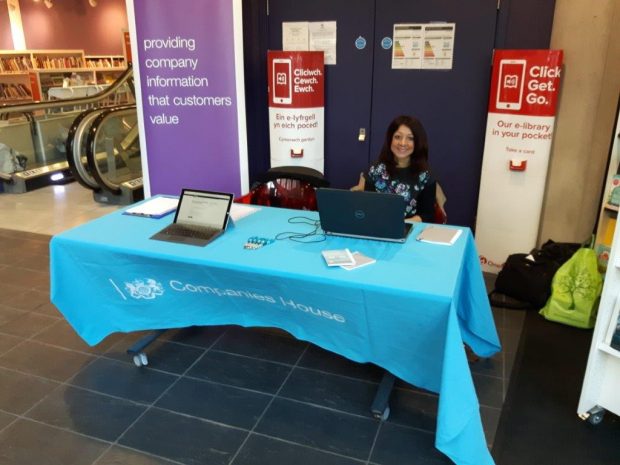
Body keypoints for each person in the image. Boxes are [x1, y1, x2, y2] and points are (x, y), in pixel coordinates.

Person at [351, 115, 436, 222]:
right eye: (397, 137)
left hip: (409, 229)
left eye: (410, 138)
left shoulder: (425, 175)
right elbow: (368, 208)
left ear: (418, 142)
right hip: (376, 227)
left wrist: (401, 224)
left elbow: (427, 215)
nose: (403, 143)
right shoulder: (375, 170)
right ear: (390, 139)